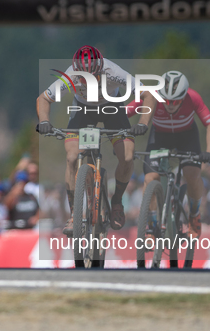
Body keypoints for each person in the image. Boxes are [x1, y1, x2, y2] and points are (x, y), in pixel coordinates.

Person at [36, 45, 157, 235]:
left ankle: (116, 201)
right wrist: (44, 121)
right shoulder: (72, 75)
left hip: (112, 108)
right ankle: (75, 213)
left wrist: (143, 122)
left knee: (126, 157)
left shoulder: (113, 71)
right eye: (84, 79)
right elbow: (43, 98)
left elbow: (148, 94)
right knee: (72, 158)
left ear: (101, 69)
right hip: (83, 110)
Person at [125, 71, 210, 238]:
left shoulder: (193, 98)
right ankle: (152, 224)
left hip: (187, 137)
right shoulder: (153, 95)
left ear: (183, 97)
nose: (169, 104)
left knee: (192, 174)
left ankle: (194, 214)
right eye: (165, 100)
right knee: (150, 178)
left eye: (174, 101)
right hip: (160, 136)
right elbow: (127, 111)